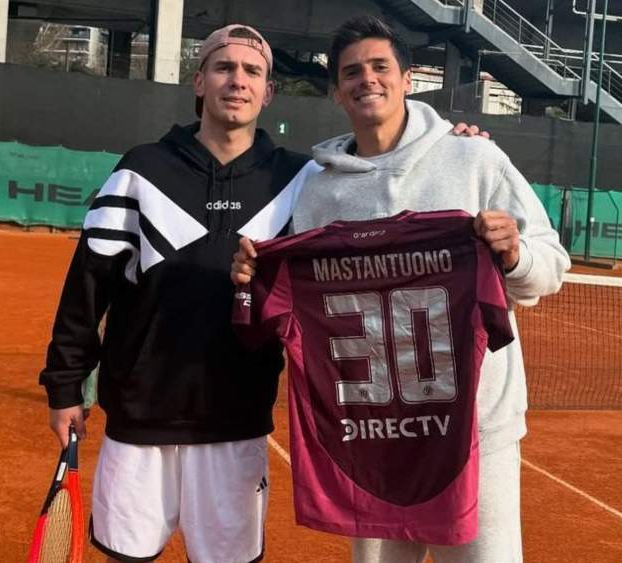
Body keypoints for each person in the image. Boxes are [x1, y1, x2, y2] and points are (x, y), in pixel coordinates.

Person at [39, 23, 489, 563]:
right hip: (139, 420)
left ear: (268, 91)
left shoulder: (303, 181)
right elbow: (87, 287)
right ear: (199, 81)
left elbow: (378, 209)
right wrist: (65, 385)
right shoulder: (140, 171)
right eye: (224, 67)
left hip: (236, 423)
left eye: (252, 71)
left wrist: (451, 146)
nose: (238, 81)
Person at [231, 15, 570, 563]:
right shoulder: (316, 191)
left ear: (408, 79)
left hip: (474, 427)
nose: (367, 79)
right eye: (352, 72)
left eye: (380, 66)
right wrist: (253, 276)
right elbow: (287, 291)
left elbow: (549, 267)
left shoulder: (475, 159)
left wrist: (513, 254)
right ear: (338, 91)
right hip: (369, 429)